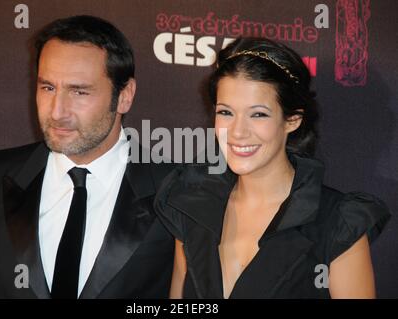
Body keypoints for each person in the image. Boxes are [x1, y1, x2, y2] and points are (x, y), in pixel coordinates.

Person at [0, 15, 174, 299]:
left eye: (79, 92)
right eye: (48, 88)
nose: (57, 112)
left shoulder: (174, 188)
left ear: (125, 96)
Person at [154, 37, 391, 299]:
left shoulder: (338, 223)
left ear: (292, 120)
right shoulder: (192, 206)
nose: (237, 132)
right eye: (225, 113)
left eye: (258, 114)